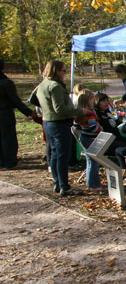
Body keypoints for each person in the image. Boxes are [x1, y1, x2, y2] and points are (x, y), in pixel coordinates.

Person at [36, 60, 83, 196]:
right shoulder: (55, 86)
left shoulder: (43, 84)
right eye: (63, 70)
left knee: (55, 155)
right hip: (58, 123)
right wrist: (79, 111)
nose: (65, 73)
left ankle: (58, 183)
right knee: (62, 156)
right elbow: (59, 109)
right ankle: (64, 186)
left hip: (48, 123)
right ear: (56, 71)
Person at [0, 59, 41, 168]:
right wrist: (29, 112)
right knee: (8, 138)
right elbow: (16, 101)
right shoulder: (6, 83)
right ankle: (10, 161)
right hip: (5, 114)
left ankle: (2, 161)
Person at [73, 90, 104, 192]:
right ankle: (94, 184)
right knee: (94, 162)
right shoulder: (90, 114)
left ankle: (91, 182)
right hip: (91, 138)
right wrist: (101, 129)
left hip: (84, 137)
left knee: (90, 161)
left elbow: (76, 126)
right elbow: (93, 127)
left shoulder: (79, 114)